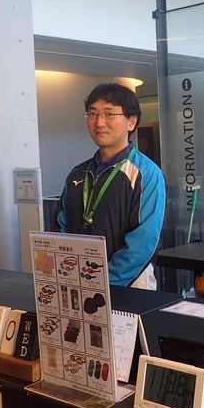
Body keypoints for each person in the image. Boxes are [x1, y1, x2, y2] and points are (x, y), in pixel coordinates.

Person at [56, 83, 165, 289]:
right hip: (78, 279)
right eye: (92, 113)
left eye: (109, 114)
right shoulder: (77, 174)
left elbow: (144, 242)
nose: (99, 122)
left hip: (130, 282)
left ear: (131, 122)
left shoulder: (146, 174)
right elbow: (61, 227)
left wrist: (104, 282)